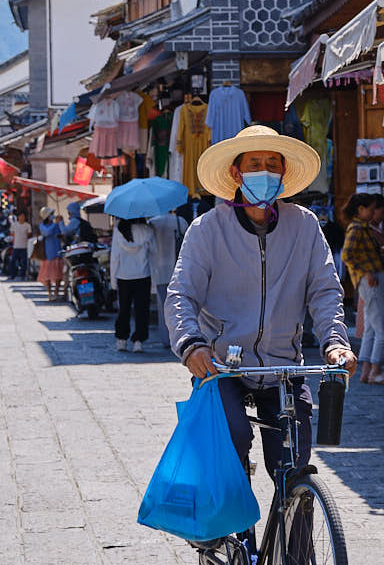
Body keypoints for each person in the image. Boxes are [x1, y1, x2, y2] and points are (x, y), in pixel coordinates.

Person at [167, 125, 356, 513]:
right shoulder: (207, 229)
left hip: (285, 368)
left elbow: (324, 290)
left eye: (273, 163)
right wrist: (191, 345)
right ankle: (237, 540)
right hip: (222, 367)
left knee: (296, 470)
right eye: (255, 163)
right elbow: (181, 294)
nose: (265, 171)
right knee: (231, 443)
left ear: (284, 173)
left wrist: (335, 341)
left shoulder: (304, 225)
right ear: (236, 173)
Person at [341, 194, 384, 385]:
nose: (374, 212)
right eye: (371, 209)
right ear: (361, 209)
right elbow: (346, 255)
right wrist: (366, 272)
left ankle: (366, 372)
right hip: (371, 281)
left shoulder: (363, 228)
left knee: (371, 330)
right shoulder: (357, 228)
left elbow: (369, 254)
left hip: (373, 279)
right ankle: (376, 371)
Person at [110, 215, 155, 351]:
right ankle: (138, 342)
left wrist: (113, 281)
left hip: (123, 276)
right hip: (143, 275)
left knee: (123, 309)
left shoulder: (119, 230)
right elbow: (154, 253)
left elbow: (115, 257)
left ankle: (121, 340)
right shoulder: (148, 230)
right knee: (142, 310)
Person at [148, 210, 182, 352]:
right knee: (180, 306)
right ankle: (178, 337)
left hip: (159, 269)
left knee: (163, 307)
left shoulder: (152, 222)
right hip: (177, 268)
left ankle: (166, 338)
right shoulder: (181, 221)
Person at [37, 211, 66, 299]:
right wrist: (55, 224)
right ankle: (50, 293)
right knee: (47, 275)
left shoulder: (56, 225)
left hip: (57, 251)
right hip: (48, 253)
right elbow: (47, 232)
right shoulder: (42, 226)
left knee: (58, 274)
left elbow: (63, 231)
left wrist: (61, 222)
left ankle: (56, 292)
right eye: (51, 214)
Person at [9, 210, 32, 280]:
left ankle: (23, 275)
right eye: (20, 216)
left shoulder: (27, 225)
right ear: (18, 217)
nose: (22, 217)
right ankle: (13, 275)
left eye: (23, 216)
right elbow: (12, 233)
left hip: (24, 246)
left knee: (24, 262)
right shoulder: (14, 225)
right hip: (16, 246)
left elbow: (29, 234)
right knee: (13, 261)